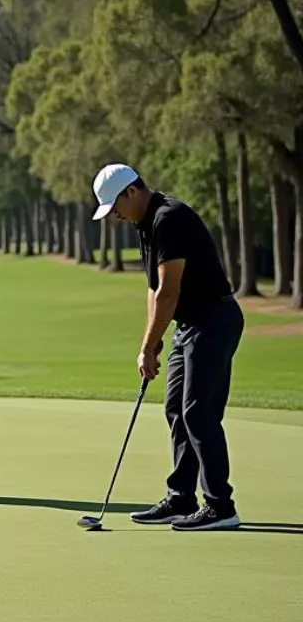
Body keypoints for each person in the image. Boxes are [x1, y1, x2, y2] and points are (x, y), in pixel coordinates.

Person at [92, 163, 245, 530]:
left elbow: (169, 290)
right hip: (189, 323)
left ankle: (221, 507)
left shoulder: (168, 218)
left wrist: (147, 347)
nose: (115, 216)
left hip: (213, 320)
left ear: (132, 191)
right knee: (176, 409)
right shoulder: (145, 224)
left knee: (198, 412)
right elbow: (152, 290)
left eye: (115, 206)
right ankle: (180, 498)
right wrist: (153, 339)